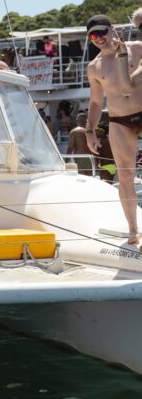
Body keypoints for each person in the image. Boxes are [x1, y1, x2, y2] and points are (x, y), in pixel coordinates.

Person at [85, 13, 142, 244]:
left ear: (112, 29)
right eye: (93, 35)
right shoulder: (94, 67)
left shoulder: (137, 48)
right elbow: (96, 102)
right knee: (126, 175)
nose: (99, 38)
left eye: (102, 32)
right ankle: (133, 230)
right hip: (119, 121)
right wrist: (90, 131)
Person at [66, 112, 93, 176]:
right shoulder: (90, 131)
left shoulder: (74, 131)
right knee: (90, 179)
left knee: (82, 179)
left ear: (77, 121)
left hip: (80, 158)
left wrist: (66, 161)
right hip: (90, 158)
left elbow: (70, 148)